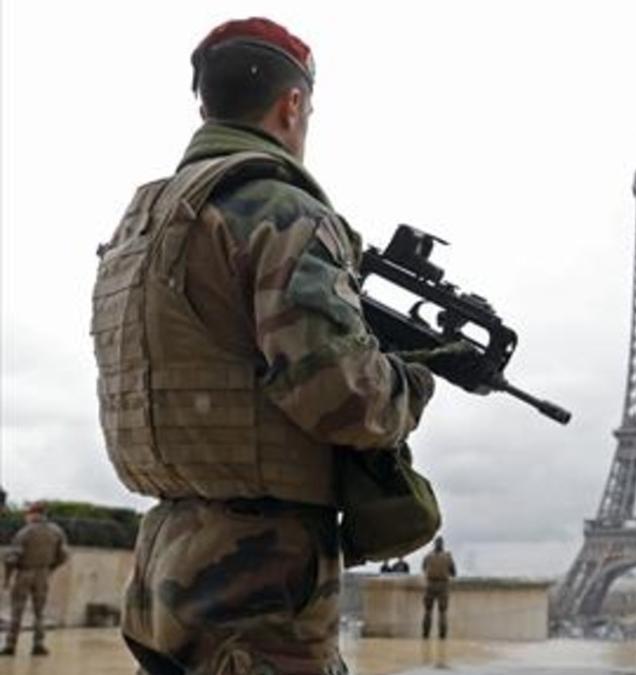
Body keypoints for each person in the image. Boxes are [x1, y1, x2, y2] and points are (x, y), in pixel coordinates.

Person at [90, 17, 442, 675]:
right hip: (261, 572)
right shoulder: (280, 209)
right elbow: (339, 395)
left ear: (205, 103)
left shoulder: (144, 222)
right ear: (293, 104)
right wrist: (410, 382)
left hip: (169, 550)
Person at [0, 502, 68, 657]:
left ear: (33, 514)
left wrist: (7, 577)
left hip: (24, 573)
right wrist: (51, 568)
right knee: (40, 612)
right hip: (43, 574)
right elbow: (63, 555)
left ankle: (11, 645)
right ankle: (39, 645)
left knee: (17, 610)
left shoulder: (25, 532)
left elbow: (12, 558)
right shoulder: (56, 532)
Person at [421, 537, 457, 639]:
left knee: (428, 611)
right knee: (442, 612)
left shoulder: (428, 556)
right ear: (442, 545)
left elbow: (424, 568)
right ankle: (442, 635)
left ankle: (425, 634)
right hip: (443, 586)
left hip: (430, 585)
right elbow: (453, 573)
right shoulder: (447, 557)